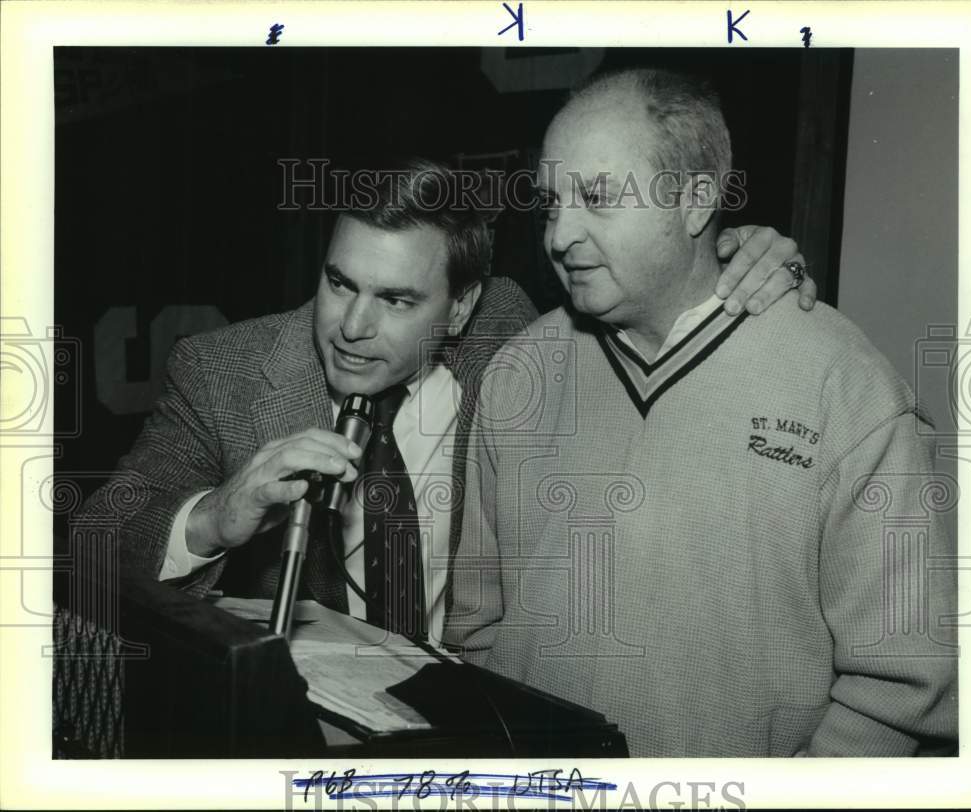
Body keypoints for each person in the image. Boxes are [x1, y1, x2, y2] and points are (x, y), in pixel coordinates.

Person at [74, 157, 813, 644]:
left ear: (459, 310)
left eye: (397, 300)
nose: (352, 328)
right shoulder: (221, 371)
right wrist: (215, 516)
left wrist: (735, 255)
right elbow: (93, 542)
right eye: (339, 284)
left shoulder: (510, 328)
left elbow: (647, 290)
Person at [444, 69, 958, 755]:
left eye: (597, 197)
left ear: (695, 200)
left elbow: (901, 686)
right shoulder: (517, 374)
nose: (559, 235)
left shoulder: (846, 386)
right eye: (550, 204)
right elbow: (476, 627)